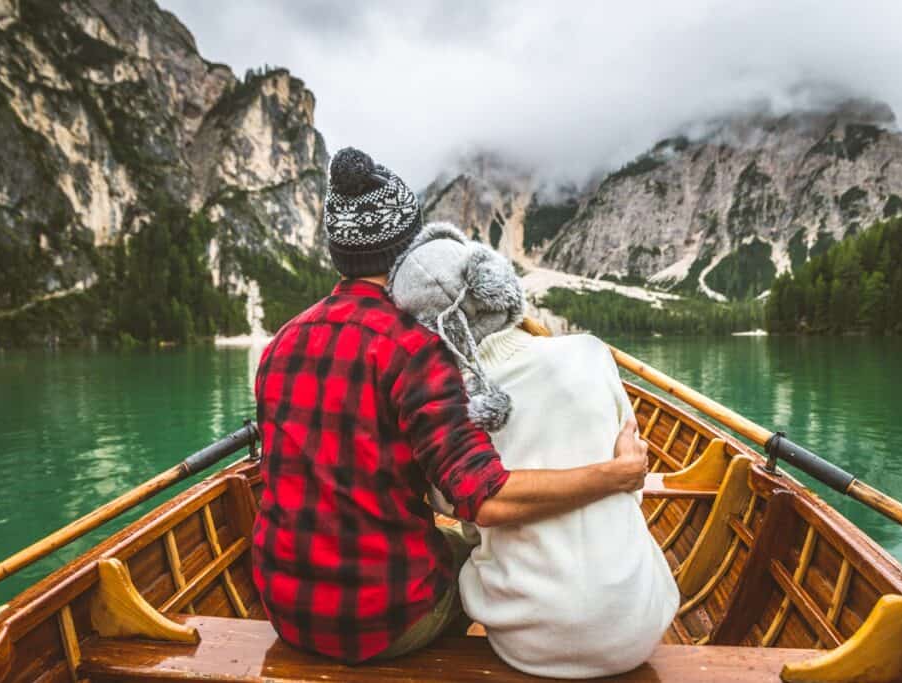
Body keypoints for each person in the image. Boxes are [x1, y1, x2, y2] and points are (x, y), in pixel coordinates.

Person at [252, 147, 651, 665]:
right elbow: (487, 500)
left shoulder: (280, 343)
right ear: (407, 248)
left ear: (338, 252)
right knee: (475, 559)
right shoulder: (414, 350)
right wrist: (617, 474)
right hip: (385, 621)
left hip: (285, 609)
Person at [389, 222, 680, 678]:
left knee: (459, 555)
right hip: (638, 628)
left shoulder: (451, 408)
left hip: (528, 643)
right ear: (498, 287)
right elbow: (633, 480)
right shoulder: (591, 353)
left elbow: (458, 510)